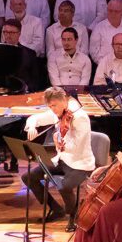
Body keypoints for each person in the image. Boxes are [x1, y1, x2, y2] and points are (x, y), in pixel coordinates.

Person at [22, 87, 96, 220]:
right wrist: (32, 126)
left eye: (54, 105)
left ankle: (74, 215)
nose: (52, 109)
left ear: (63, 100)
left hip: (79, 164)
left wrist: (58, 142)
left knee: (64, 186)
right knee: (28, 177)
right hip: (62, 160)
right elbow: (36, 118)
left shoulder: (80, 118)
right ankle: (56, 209)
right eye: (50, 106)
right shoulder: (57, 112)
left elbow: (77, 147)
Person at [0, 19, 42, 91]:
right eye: (5, 32)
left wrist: (26, 88)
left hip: (23, 93)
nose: (8, 35)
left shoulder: (30, 54)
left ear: (19, 33)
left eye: (12, 32)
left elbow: (35, 81)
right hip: (1, 93)